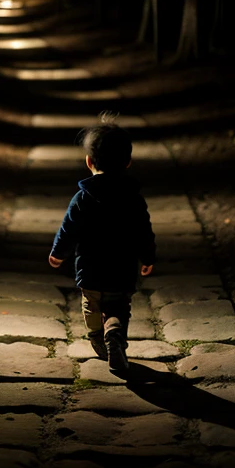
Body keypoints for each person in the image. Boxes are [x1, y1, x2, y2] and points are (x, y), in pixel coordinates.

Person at [48, 112, 156, 373]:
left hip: (91, 269)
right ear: (128, 162)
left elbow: (68, 229)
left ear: (89, 162)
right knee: (119, 307)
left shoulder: (82, 198)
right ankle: (115, 330)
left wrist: (58, 253)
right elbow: (144, 230)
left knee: (91, 306)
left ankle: (97, 336)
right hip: (123, 268)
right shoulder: (134, 198)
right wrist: (148, 257)